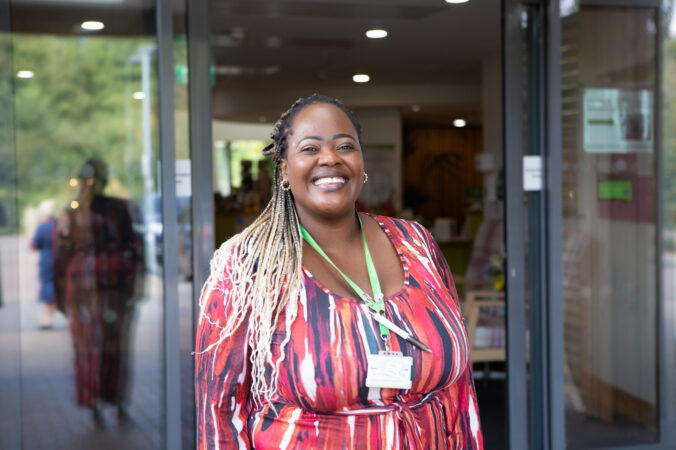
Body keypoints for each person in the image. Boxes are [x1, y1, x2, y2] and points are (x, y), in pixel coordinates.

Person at [195, 94, 483, 449]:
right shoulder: (248, 265)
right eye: (310, 148)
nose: (330, 158)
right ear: (284, 168)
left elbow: (459, 392)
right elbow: (220, 414)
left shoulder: (417, 243)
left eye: (345, 146)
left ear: (361, 163)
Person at [53, 158, 144, 426]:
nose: (90, 185)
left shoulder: (116, 208)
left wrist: (135, 285)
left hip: (113, 286)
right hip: (86, 286)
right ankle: (96, 403)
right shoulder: (72, 211)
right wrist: (60, 295)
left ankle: (115, 402)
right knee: (88, 347)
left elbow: (135, 248)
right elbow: (62, 254)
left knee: (115, 346)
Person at [30, 199, 58, 329]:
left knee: (48, 286)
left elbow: (33, 245)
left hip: (48, 258)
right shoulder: (59, 225)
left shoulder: (43, 227)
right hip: (62, 259)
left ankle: (47, 319)